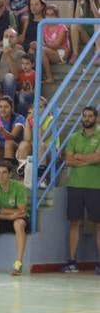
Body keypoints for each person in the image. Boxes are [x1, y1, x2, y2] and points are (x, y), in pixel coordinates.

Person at [63, 106, 100, 274]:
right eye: (84, 116)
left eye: (90, 116)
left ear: (96, 118)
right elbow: (68, 161)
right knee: (74, 223)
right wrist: (89, 160)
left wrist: (79, 156)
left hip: (96, 185)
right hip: (75, 185)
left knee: (98, 224)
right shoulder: (74, 137)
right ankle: (72, 262)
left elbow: (98, 157)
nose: (86, 118)